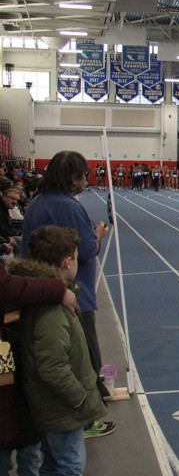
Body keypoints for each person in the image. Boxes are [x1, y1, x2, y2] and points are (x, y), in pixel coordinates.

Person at [10, 225, 107, 476]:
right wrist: (80, 397)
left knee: (53, 464)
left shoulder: (46, 299)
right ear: (68, 262)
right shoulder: (53, 310)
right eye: (76, 258)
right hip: (61, 407)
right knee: (69, 465)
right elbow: (52, 366)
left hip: (51, 405)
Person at [20, 151, 113, 438]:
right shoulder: (69, 207)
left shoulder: (36, 203)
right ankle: (85, 419)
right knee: (83, 358)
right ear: (74, 178)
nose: (86, 181)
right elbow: (85, 251)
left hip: (40, 291)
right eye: (85, 176)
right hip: (72, 295)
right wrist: (98, 234)